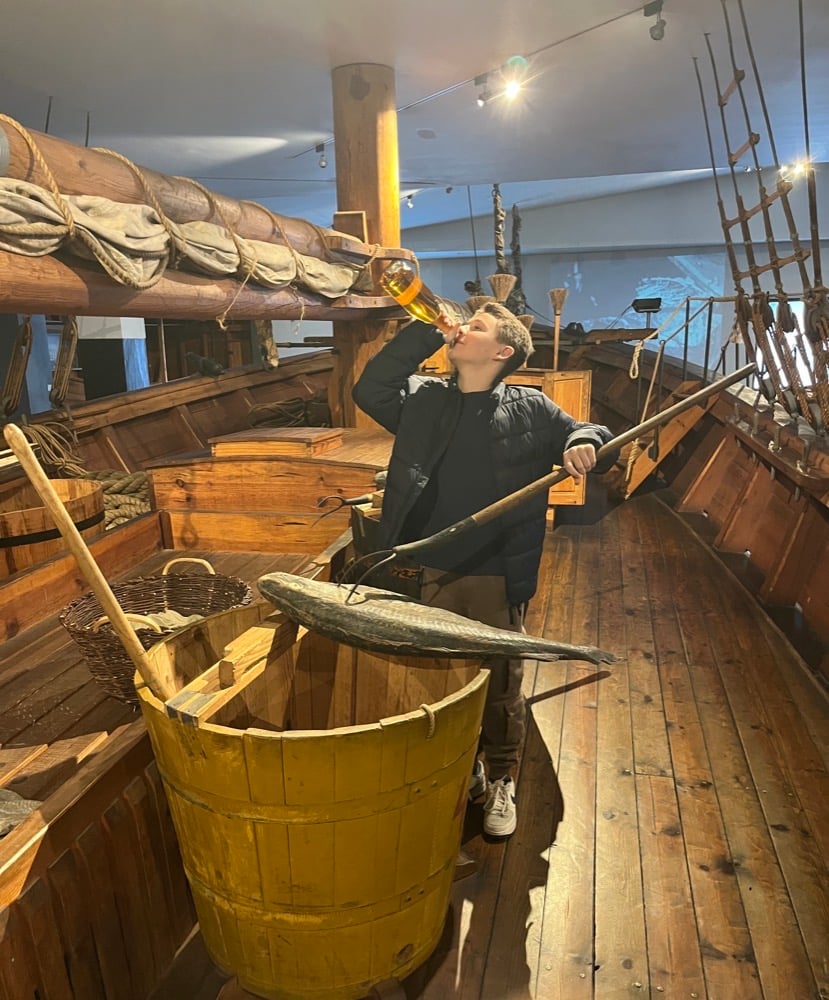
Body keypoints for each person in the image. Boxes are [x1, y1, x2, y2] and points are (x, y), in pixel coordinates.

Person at [352, 303, 617, 837]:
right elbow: (370, 388)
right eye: (463, 322)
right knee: (436, 674)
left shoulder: (531, 408)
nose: (462, 328)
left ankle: (501, 775)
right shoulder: (424, 399)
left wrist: (584, 444)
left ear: (502, 353)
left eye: (476, 326)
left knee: (498, 680)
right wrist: (428, 328)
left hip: (495, 566)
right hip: (427, 562)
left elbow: (589, 431)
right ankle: (462, 761)